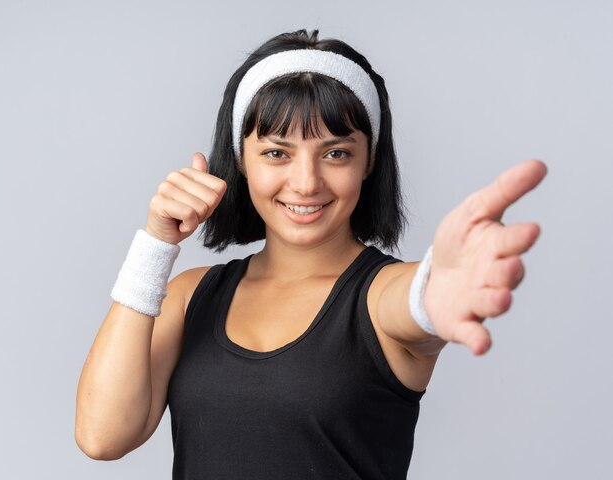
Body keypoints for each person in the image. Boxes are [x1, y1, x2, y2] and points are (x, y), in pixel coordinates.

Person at [75, 29, 547, 479]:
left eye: (336, 153)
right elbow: (102, 436)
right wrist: (155, 243)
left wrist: (433, 289)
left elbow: (410, 303)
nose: (306, 182)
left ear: (370, 161)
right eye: (277, 153)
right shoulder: (190, 296)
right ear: (241, 159)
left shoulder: (381, 295)